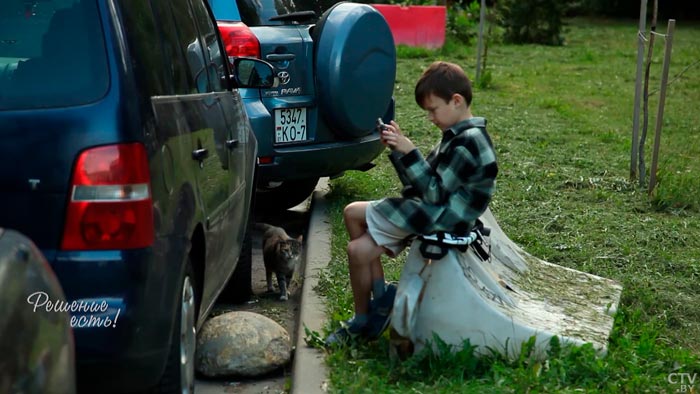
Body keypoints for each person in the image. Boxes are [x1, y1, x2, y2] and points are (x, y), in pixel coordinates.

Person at [325, 61, 499, 346]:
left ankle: (364, 318)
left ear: (456, 101)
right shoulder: (458, 137)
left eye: (433, 110)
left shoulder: (468, 142)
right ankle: (380, 299)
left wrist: (409, 150)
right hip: (434, 210)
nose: (430, 117)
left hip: (443, 218)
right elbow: (417, 185)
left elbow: (433, 194)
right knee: (353, 218)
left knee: (357, 248)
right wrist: (399, 150)